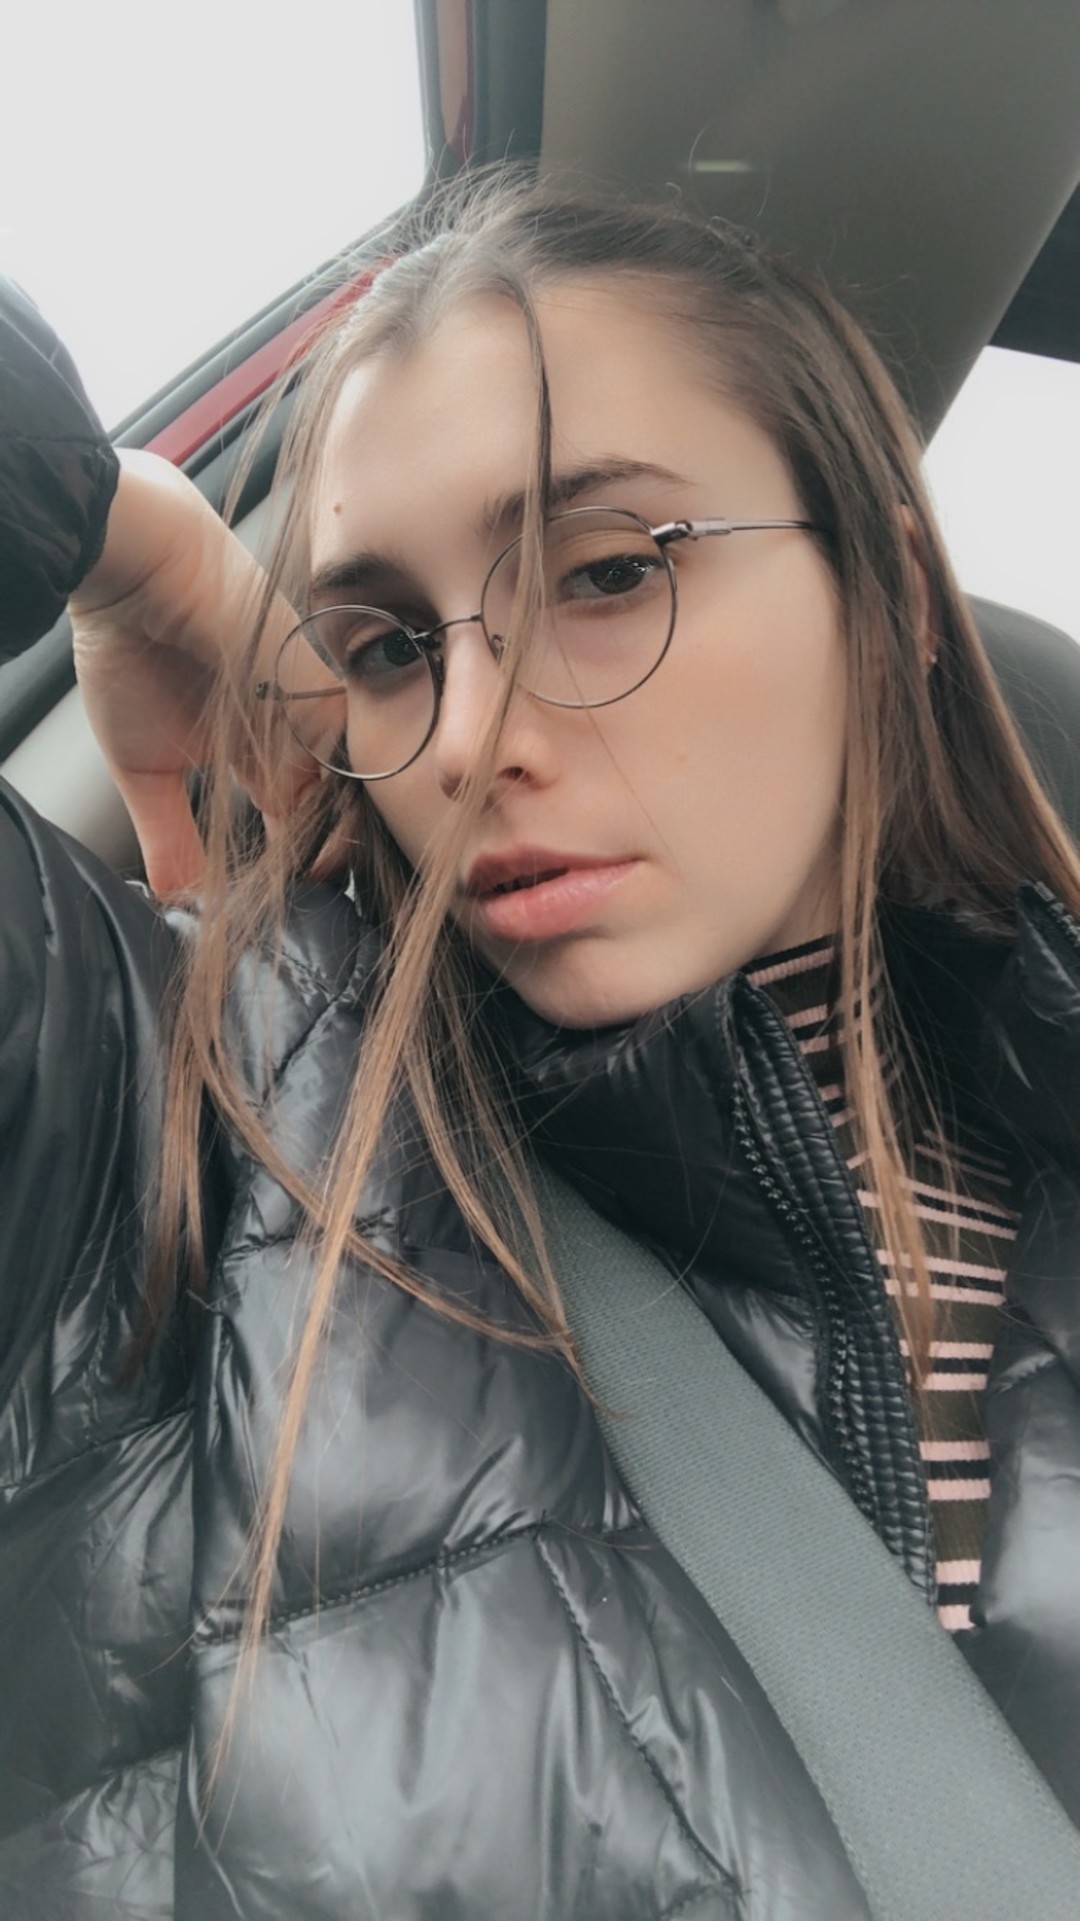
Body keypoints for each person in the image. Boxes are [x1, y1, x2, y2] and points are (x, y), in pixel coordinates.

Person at [2, 176, 1079, 1919]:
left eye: (606, 571)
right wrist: (138, 540)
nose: (464, 737)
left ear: (890, 591)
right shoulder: (192, 1126)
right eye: (382, 645)